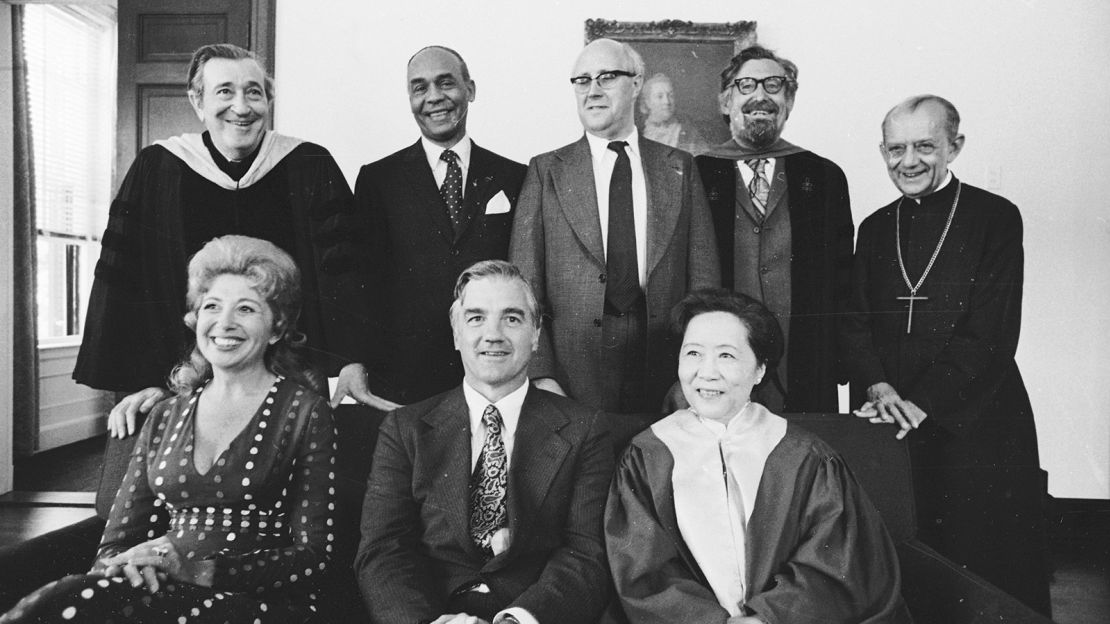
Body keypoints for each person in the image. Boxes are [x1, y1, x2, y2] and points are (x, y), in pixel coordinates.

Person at [1, 236, 337, 623]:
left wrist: (200, 570)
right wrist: (125, 564)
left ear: (277, 328)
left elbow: (316, 557)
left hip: (259, 602)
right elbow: (115, 543)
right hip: (160, 591)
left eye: (246, 309)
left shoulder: (305, 411)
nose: (224, 323)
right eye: (212, 306)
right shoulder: (165, 414)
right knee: (60, 602)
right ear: (196, 320)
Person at [75, 43, 362, 440]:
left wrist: (350, 361)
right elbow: (131, 286)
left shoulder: (309, 165)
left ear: (269, 100)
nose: (241, 107)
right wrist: (147, 379)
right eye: (225, 91)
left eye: (254, 92)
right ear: (197, 101)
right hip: (183, 381)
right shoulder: (159, 168)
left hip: (290, 378)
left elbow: (344, 275)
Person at [841, 95, 1050, 615]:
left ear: (954, 147)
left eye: (925, 146)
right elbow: (853, 320)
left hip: (975, 414)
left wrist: (922, 402)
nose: (908, 161)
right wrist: (878, 385)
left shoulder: (996, 218)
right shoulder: (873, 227)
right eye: (896, 148)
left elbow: (992, 331)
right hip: (887, 414)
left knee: (984, 564)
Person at [606, 289, 910, 623]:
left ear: (760, 370)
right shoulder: (647, 456)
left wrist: (766, 618)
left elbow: (838, 561)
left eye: (726, 356)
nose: (706, 373)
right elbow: (642, 570)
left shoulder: (804, 457)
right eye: (693, 353)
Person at [355, 260, 613, 624]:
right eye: (476, 318)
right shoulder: (404, 429)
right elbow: (383, 550)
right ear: (456, 334)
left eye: (512, 318)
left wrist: (520, 619)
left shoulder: (585, 428)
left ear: (536, 334)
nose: (493, 334)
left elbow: (586, 552)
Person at [509, 38, 719, 419]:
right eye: (582, 80)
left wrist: (694, 373)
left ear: (636, 84)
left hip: (664, 366)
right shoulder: (546, 171)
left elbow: (704, 282)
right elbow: (524, 285)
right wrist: (541, 375)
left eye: (607, 77)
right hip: (573, 375)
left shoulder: (680, 167)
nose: (592, 91)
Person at [331, 45, 527, 408]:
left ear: (470, 89)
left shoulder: (515, 177)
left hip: (493, 371)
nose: (434, 97)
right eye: (420, 88)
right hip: (404, 377)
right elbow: (360, 277)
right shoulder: (378, 179)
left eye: (446, 83)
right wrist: (353, 358)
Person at [695, 45, 853, 413]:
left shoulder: (824, 176)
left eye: (773, 85)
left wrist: (841, 360)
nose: (760, 95)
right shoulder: (697, 174)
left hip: (807, 363)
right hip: (721, 368)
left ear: (790, 100)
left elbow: (845, 278)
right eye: (746, 85)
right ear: (725, 101)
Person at [638, 73, 709, 155]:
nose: (667, 102)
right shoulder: (638, 132)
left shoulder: (689, 134)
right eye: (660, 96)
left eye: (670, 96)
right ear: (648, 102)